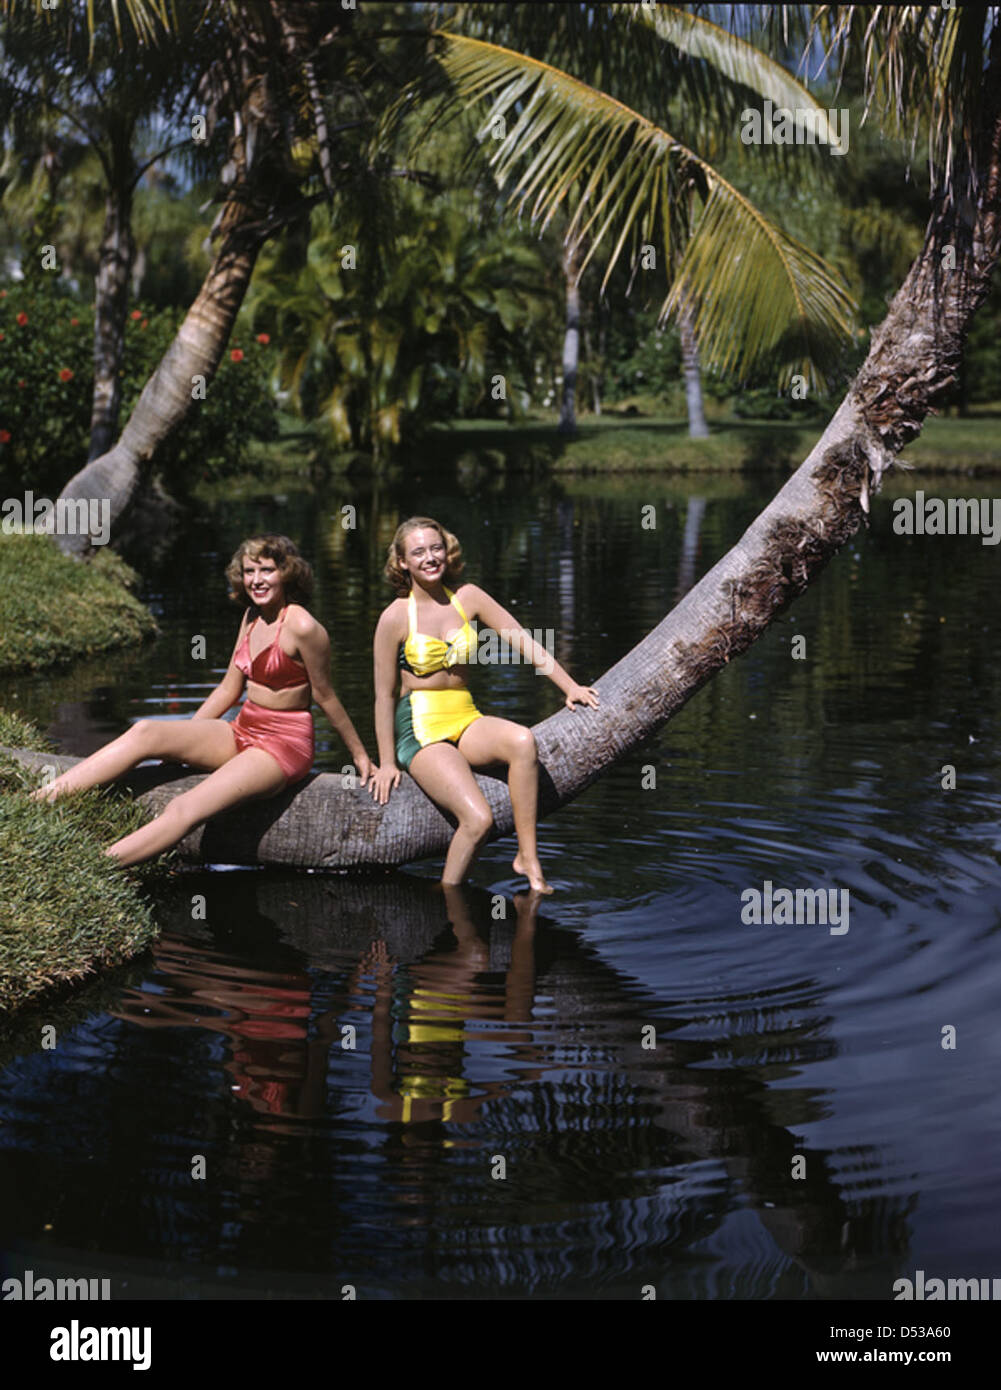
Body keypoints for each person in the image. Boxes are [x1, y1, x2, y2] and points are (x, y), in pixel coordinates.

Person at [31, 533, 372, 865]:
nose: (256, 580)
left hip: (281, 746)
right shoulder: (251, 617)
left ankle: (91, 865)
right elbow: (228, 688)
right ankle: (36, 802)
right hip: (243, 729)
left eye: (266, 569)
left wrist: (361, 758)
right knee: (146, 732)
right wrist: (182, 741)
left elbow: (327, 698)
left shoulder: (303, 626)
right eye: (249, 571)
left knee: (184, 807)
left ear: (287, 572)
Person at [369, 516, 598, 893]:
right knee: (478, 819)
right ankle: (447, 899)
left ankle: (527, 857)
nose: (430, 558)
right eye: (419, 552)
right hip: (420, 727)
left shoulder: (468, 597)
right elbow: (383, 695)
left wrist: (568, 685)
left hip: (464, 713)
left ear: (448, 550)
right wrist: (388, 761)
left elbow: (522, 640)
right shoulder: (394, 617)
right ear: (402, 563)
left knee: (523, 741)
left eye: (436, 547)